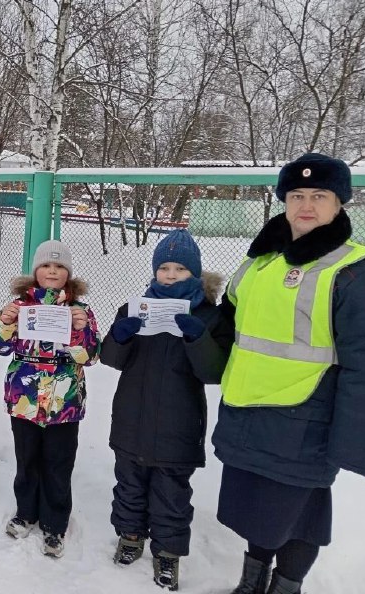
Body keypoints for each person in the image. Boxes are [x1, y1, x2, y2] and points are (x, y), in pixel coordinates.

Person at [212, 153, 365, 594]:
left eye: (319, 195)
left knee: (300, 516)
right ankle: (250, 585)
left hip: (307, 423)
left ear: (341, 203)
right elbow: (226, 328)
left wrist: (352, 443)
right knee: (256, 510)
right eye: (297, 195)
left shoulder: (353, 272)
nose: (306, 205)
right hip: (248, 412)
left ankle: (287, 587)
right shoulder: (260, 262)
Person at [100, 229, 234, 591]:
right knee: (128, 484)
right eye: (164, 268)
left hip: (179, 424)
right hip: (132, 418)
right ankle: (129, 537)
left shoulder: (209, 316)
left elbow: (213, 371)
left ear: (194, 272)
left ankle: (168, 555)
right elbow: (110, 359)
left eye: (179, 269)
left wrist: (197, 338)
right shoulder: (135, 307)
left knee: (171, 494)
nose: (170, 275)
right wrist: (120, 336)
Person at [0, 240, 100, 558]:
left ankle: (54, 524)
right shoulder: (20, 305)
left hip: (64, 404)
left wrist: (79, 331)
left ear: (69, 274)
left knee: (58, 465)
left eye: (60, 266)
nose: (53, 270)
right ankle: (26, 513)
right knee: (27, 461)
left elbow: (90, 356)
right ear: (35, 271)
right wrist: (6, 322)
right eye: (47, 265)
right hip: (25, 400)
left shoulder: (80, 310)